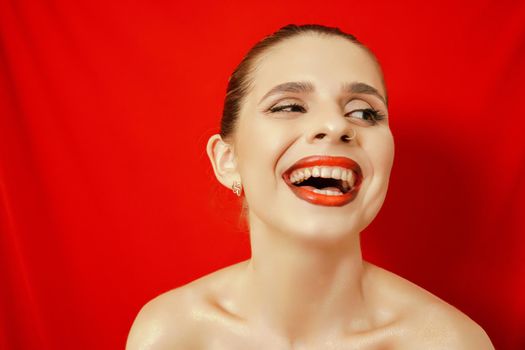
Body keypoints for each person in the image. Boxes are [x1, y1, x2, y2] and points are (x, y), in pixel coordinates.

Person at [126, 24, 494, 349]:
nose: (336, 125)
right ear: (227, 160)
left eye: (364, 112)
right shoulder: (171, 334)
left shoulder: (450, 343)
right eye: (289, 107)